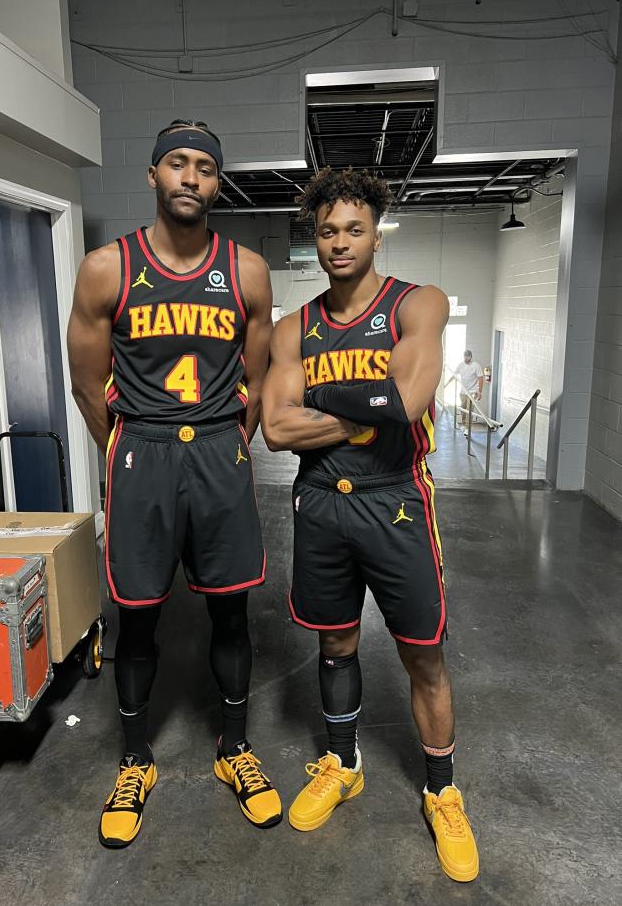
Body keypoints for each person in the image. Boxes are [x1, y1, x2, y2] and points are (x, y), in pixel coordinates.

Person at [67, 119, 282, 848]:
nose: (191, 177)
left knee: (231, 611)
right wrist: (130, 448)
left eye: (205, 168)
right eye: (178, 164)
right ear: (153, 174)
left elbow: (257, 379)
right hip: (143, 450)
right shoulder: (107, 268)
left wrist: (226, 445)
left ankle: (234, 748)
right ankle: (135, 760)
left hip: (219, 449)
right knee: (137, 615)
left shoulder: (247, 271)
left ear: (218, 182)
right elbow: (87, 384)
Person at [261, 167, 479, 883]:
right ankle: (342, 761)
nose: (340, 242)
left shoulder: (418, 303)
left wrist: (322, 400)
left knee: (423, 652)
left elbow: (408, 399)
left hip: (395, 499)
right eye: (327, 230)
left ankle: (442, 791)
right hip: (322, 502)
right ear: (315, 237)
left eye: (354, 229)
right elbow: (274, 428)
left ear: (376, 234)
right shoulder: (294, 327)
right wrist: (364, 411)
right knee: (335, 640)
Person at [446, 350, 483, 427]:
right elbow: (454, 375)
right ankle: (463, 425)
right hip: (463, 392)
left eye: (468, 357)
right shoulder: (460, 365)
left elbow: (480, 378)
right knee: (463, 409)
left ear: (471, 357)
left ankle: (467, 427)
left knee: (469, 410)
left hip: (473, 392)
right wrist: (446, 384)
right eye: (465, 357)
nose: (466, 358)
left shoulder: (476, 365)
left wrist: (479, 392)